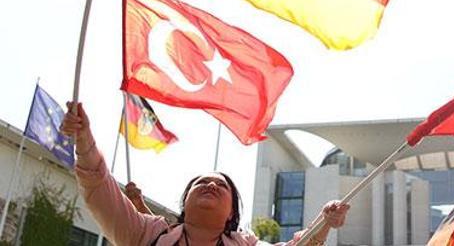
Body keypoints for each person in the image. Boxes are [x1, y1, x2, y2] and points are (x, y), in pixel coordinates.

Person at [61, 102, 349, 245]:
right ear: (184, 202)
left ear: (231, 213)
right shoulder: (146, 234)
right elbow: (98, 188)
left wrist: (325, 221)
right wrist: (83, 138)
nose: (210, 185)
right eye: (201, 183)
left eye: (221, 186)